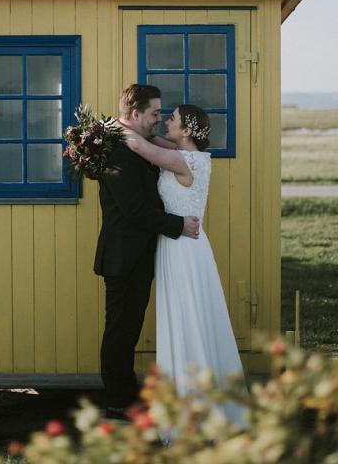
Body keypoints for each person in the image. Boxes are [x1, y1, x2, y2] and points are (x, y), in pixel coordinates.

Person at [123, 104, 247, 427]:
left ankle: (193, 407)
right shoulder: (190, 155)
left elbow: (140, 146)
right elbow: (157, 143)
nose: (166, 121)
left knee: (185, 316)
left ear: (187, 130)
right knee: (185, 315)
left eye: (173, 119)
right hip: (184, 245)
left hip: (181, 250)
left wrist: (112, 126)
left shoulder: (183, 161)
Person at [94, 84, 201, 421]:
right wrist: (178, 225)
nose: (158, 117)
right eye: (154, 112)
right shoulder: (118, 152)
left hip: (136, 256)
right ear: (136, 113)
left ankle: (125, 397)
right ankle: (117, 404)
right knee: (121, 333)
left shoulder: (133, 144)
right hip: (123, 258)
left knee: (128, 330)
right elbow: (135, 210)